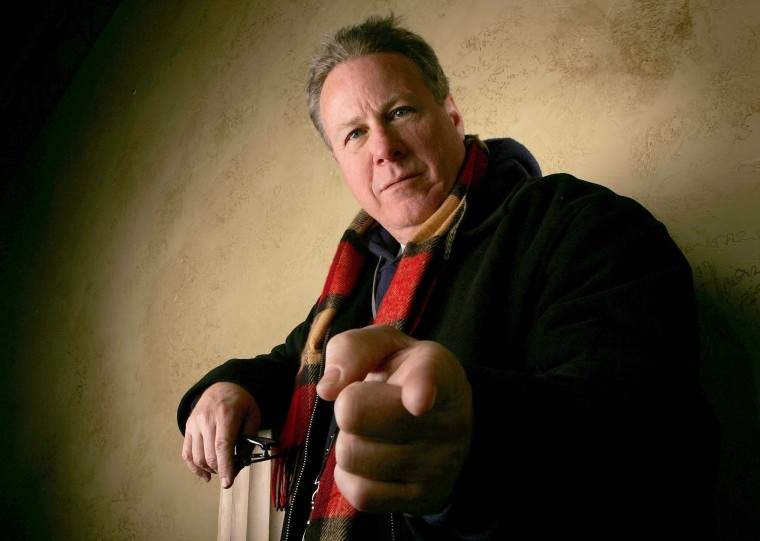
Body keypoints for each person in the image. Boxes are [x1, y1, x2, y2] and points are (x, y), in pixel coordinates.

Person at [178, 13, 719, 541]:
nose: (384, 149)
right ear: (341, 164)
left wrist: (477, 442)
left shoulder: (578, 223)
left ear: (452, 114)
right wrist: (229, 388)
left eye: (400, 111)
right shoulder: (354, 283)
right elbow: (288, 364)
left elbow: (655, 432)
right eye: (355, 134)